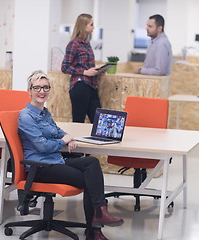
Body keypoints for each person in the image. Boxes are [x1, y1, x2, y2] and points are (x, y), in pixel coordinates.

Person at [18, 70, 123, 240]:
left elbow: (56, 130)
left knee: (91, 163)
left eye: (46, 87)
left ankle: (100, 214)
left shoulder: (45, 113)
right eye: (37, 87)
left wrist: (67, 137)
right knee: (90, 181)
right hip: (41, 167)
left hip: (55, 161)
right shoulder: (26, 116)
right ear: (29, 90)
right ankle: (94, 231)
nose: (42, 91)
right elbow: (42, 146)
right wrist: (62, 141)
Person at [61, 13, 100, 123]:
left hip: (91, 86)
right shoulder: (73, 44)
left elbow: (86, 65)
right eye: (91, 24)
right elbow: (65, 67)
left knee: (98, 122)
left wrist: (98, 70)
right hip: (80, 86)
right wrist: (84, 72)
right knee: (78, 121)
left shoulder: (87, 44)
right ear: (84, 26)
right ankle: (75, 141)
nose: (93, 27)